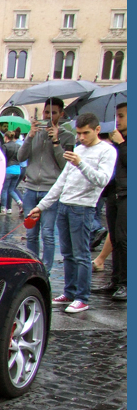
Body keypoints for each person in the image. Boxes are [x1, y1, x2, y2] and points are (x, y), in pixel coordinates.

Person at [27, 112, 117, 315]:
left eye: (86, 133)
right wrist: (42, 206)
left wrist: (80, 163)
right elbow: (62, 181)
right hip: (65, 205)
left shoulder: (107, 151)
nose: (82, 138)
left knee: (81, 254)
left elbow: (102, 180)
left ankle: (82, 297)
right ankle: (69, 292)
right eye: (79, 133)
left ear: (97, 130)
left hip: (83, 207)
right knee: (67, 253)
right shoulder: (79, 148)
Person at [18, 97, 75, 271]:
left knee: (48, 233)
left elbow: (66, 165)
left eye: (54, 113)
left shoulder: (67, 136)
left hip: (51, 190)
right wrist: (30, 137)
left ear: (61, 114)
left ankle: (46, 269)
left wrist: (56, 142)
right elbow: (20, 157)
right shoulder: (35, 134)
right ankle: (32, 266)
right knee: (31, 233)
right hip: (31, 189)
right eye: (47, 112)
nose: (49, 116)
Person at [92, 103, 126, 300]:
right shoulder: (117, 142)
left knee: (123, 239)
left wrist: (121, 145)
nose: (118, 120)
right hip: (114, 193)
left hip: (127, 194)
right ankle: (116, 280)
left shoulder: (124, 142)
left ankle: (125, 283)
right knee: (114, 237)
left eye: (121, 116)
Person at [0, 130, 23, 215]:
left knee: (4, 190)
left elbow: (3, 158)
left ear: (6, 137)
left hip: (8, 169)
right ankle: (19, 202)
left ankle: (3, 208)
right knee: (11, 190)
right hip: (17, 170)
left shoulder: (5, 146)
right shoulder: (18, 146)